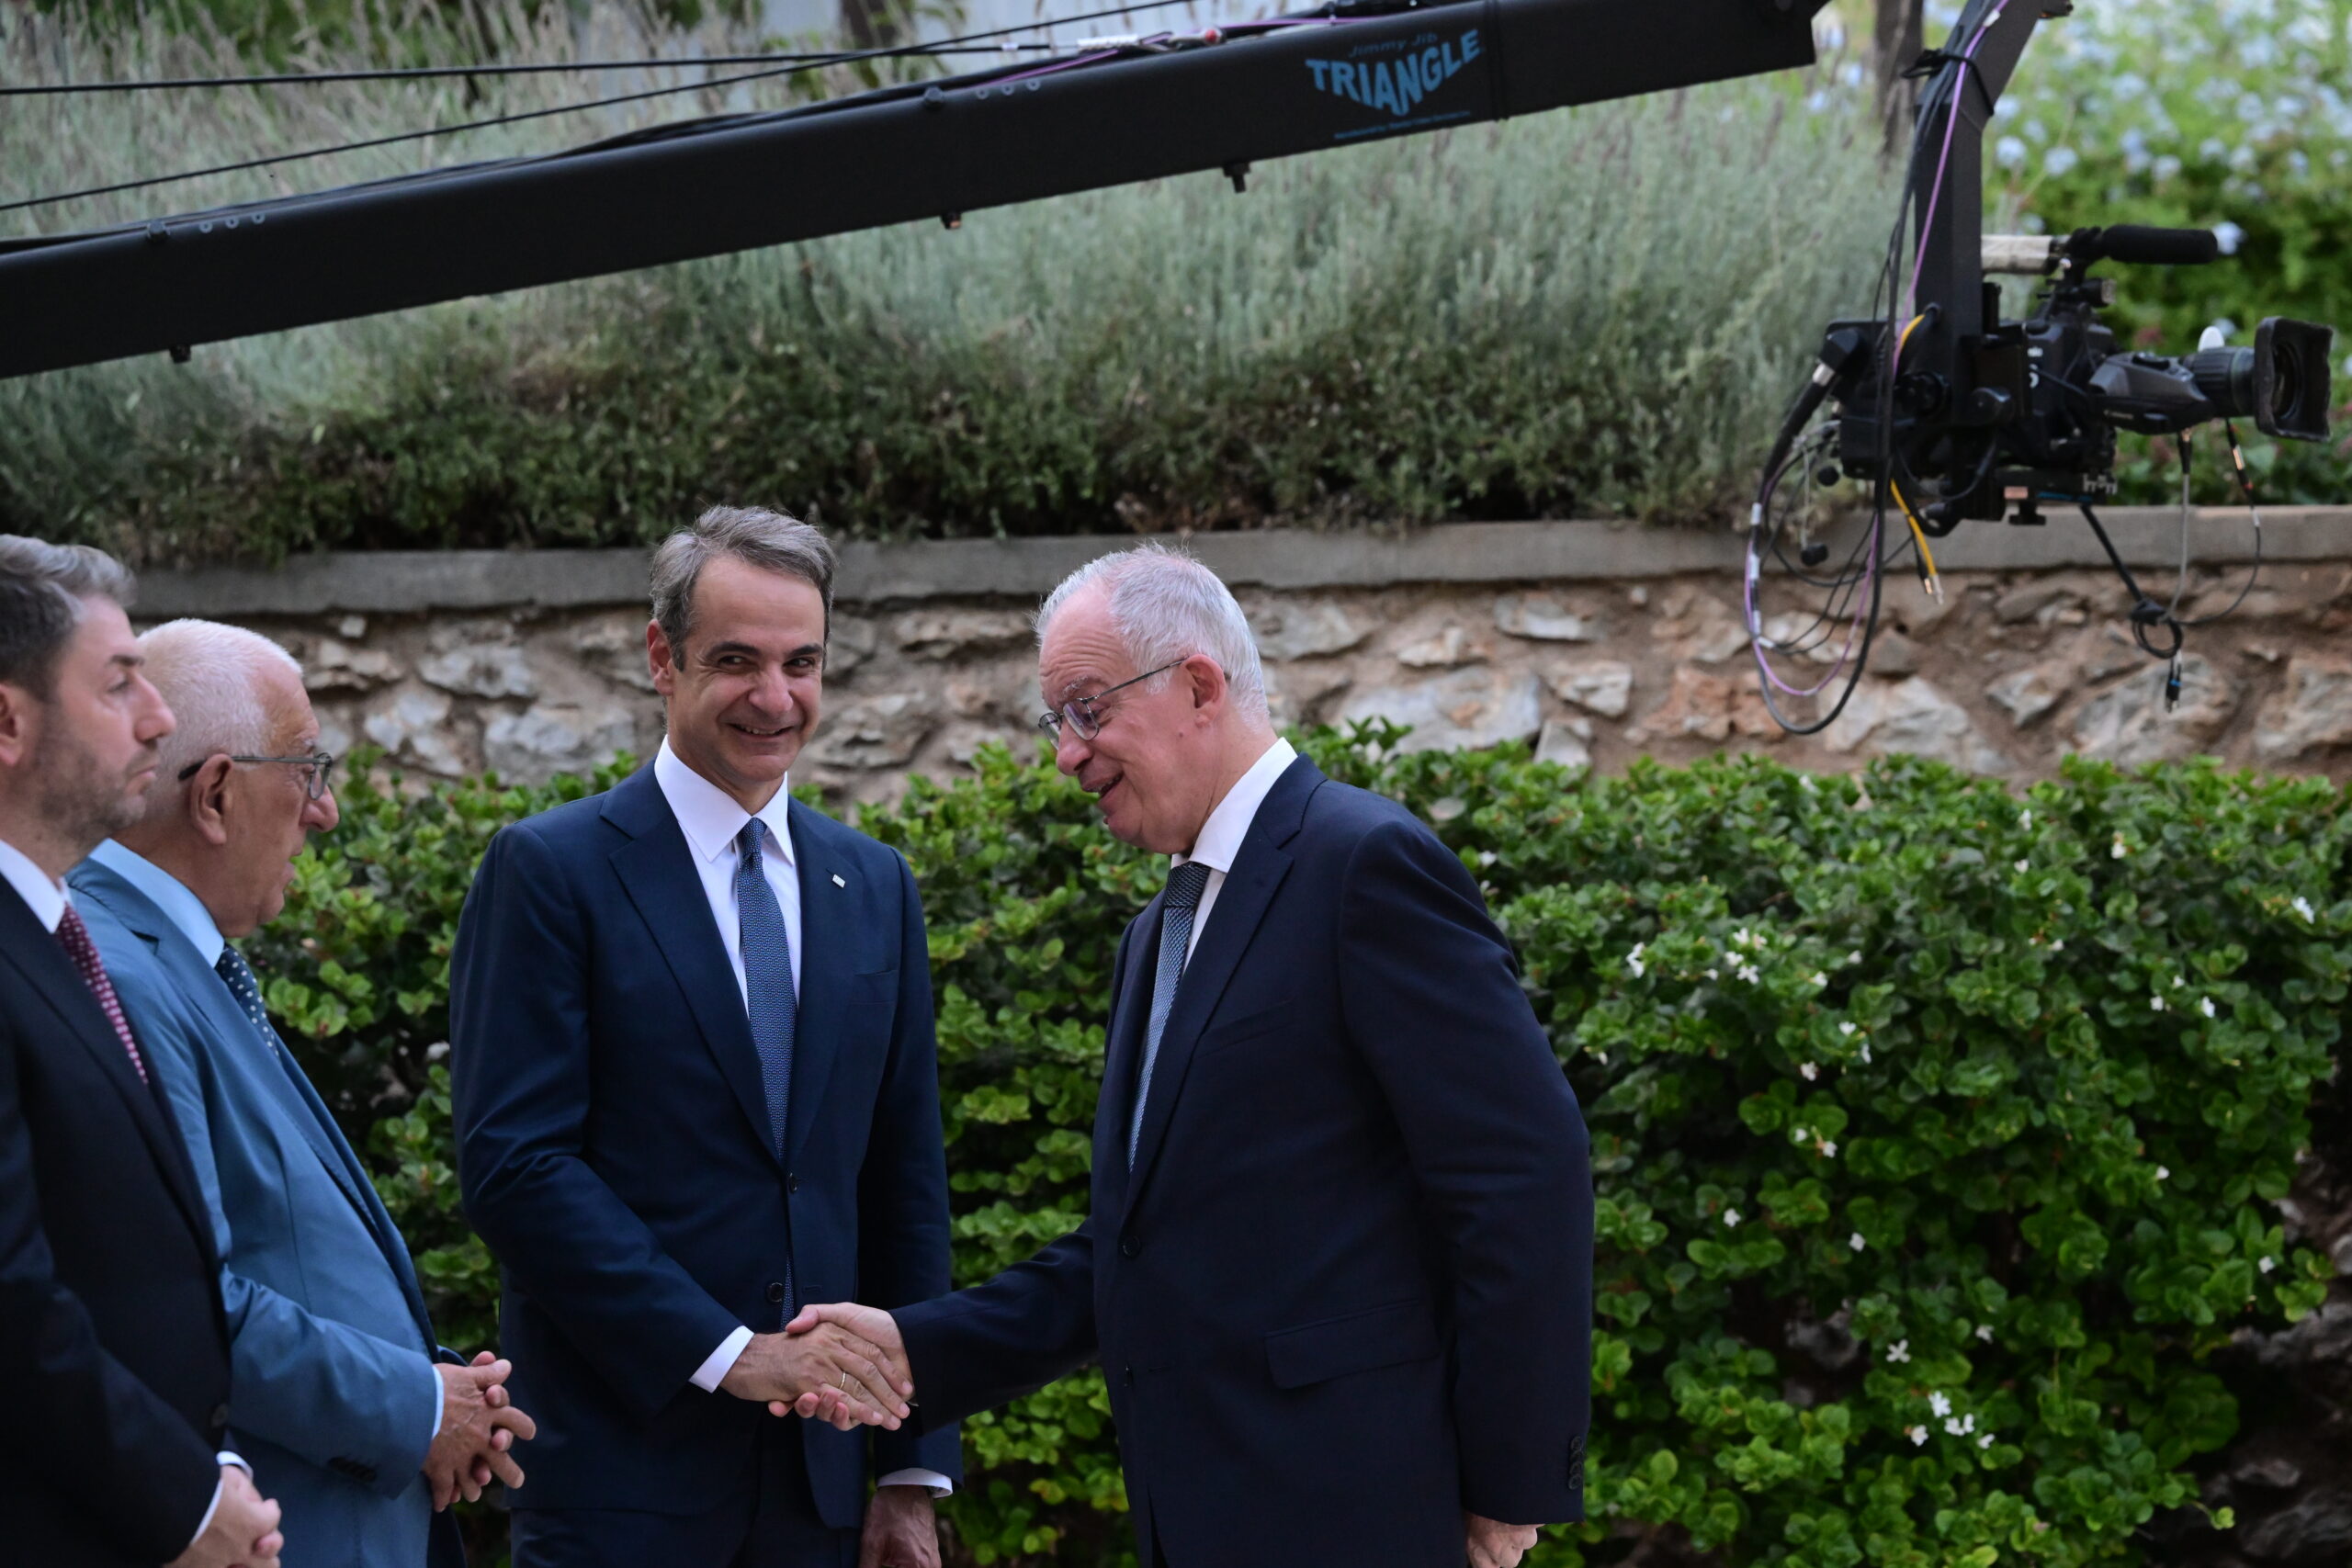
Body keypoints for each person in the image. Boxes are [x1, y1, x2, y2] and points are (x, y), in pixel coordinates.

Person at [788, 544, 1594, 1568]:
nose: (1066, 754)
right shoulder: (1154, 934)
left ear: (1200, 687)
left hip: (1362, 1513)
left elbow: (1522, 1175)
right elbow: (1138, 1245)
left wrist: (1507, 1486)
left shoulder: (1363, 864)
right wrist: (918, 1348)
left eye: (1087, 710)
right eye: (1055, 721)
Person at [450, 507, 961, 1568]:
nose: (775, 698)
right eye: (736, 661)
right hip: (620, 1486)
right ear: (661, 657)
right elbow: (517, 1167)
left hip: (822, 1489)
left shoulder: (875, 886)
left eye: (801, 663)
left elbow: (903, 1184)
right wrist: (729, 1354)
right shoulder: (550, 873)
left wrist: (911, 1471)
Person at [70, 619, 538, 1568]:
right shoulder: (121, 974)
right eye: (307, 771)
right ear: (215, 794)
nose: (323, 811)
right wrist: (412, 1407)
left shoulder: (169, 958)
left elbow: (280, 1251)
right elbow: (183, 1298)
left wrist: (433, 1390)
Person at [0, 537, 286, 1568]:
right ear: (7, 723)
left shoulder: (54, 933)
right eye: (120, 683)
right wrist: (185, 1500)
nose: (160, 721)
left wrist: (211, 1469)